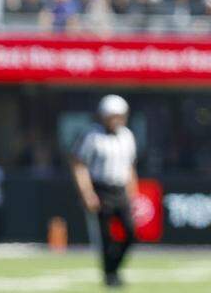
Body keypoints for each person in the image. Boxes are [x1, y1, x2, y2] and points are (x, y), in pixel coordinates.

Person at [71, 94, 139, 288]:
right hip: (100, 188)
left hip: (119, 190)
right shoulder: (92, 136)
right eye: (113, 116)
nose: (117, 120)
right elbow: (79, 164)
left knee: (130, 233)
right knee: (105, 237)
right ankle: (110, 275)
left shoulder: (127, 136)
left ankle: (114, 268)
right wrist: (87, 193)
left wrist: (132, 193)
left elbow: (130, 167)